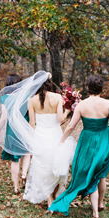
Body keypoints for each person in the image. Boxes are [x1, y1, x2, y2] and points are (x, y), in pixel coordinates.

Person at [49, 75, 109, 218]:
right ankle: (100, 204)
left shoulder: (82, 105)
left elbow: (71, 126)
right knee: (100, 173)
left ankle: (96, 208)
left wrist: (61, 141)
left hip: (87, 141)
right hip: (103, 141)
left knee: (90, 172)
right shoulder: (108, 103)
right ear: (102, 88)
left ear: (88, 88)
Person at [22, 77, 75, 207]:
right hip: (54, 135)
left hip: (40, 136)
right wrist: (68, 110)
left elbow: (32, 124)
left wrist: (32, 139)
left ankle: (50, 198)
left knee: (42, 168)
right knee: (55, 165)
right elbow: (61, 119)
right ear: (49, 84)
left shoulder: (31, 100)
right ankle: (53, 197)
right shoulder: (57, 98)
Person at [0, 74, 31, 195]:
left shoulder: (5, 98)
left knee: (15, 159)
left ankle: (16, 187)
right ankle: (24, 174)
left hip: (12, 130)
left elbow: (4, 117)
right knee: (27, 152)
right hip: (25, 127)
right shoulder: (27, 96)